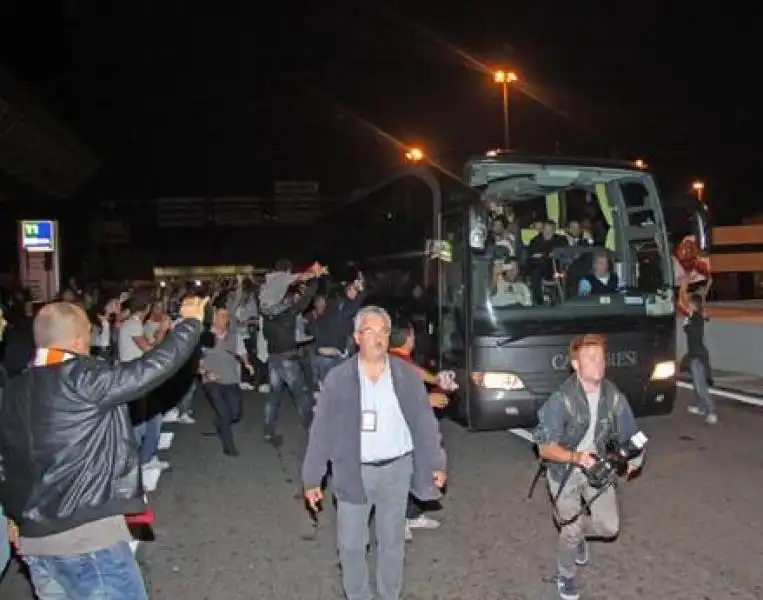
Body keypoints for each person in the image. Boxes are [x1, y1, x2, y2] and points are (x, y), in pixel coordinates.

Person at [0, 297, 205, 600]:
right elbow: (150, 370)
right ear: (79, 339)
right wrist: (189, 324)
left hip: (35, 545)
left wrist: (14, 517)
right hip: (87, 542)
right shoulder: (82, 378)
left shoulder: (11, 390)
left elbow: (7, 462)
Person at [302, 305, 446, 600]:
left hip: (397, 469)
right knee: (352, 545)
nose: (379, 338)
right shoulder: (339, 379)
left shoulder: (405, 375)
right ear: (357, 337)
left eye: (384, 331)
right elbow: (322, 430)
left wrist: (436, 463)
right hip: (354, 471)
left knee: (392, 541)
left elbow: (424, 423)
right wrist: (312, 478)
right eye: (371, 332)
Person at [533, 334, 644, 600]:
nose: (599, 364)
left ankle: (577, 532)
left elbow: (630, 433)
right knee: (570, 528)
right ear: (576, 365)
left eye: (601, 358)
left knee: (609, 528)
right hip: (564, 470)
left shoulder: (613, 396)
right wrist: (576, 457)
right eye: (590, 359)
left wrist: (634, 459)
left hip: (597, 468)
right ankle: (566, 574)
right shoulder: (562, 399)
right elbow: (544, 448)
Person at [200, 303, 254, 456]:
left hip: (231, 379)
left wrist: (247, 363)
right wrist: (205, 372)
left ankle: (220, 423)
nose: (224, 319)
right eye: (221, 315)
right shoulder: (205, 337)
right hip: (212, 381)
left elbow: (242, 352)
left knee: (235, 413)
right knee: (224, 413)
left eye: (226, 316)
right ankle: (228, 446)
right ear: (214, 318)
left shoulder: (234, 337)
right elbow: (194, 362)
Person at [682, 291, 717, 424]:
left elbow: (692, 329)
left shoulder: (695, 318)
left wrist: (687, 322)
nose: (688, 305)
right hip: (694, 355)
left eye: (690, 303)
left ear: (694, 305)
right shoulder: (694, 317)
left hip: (698, 356)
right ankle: (701, 407)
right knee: (696, 384)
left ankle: (711, 412)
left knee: (700, 385)